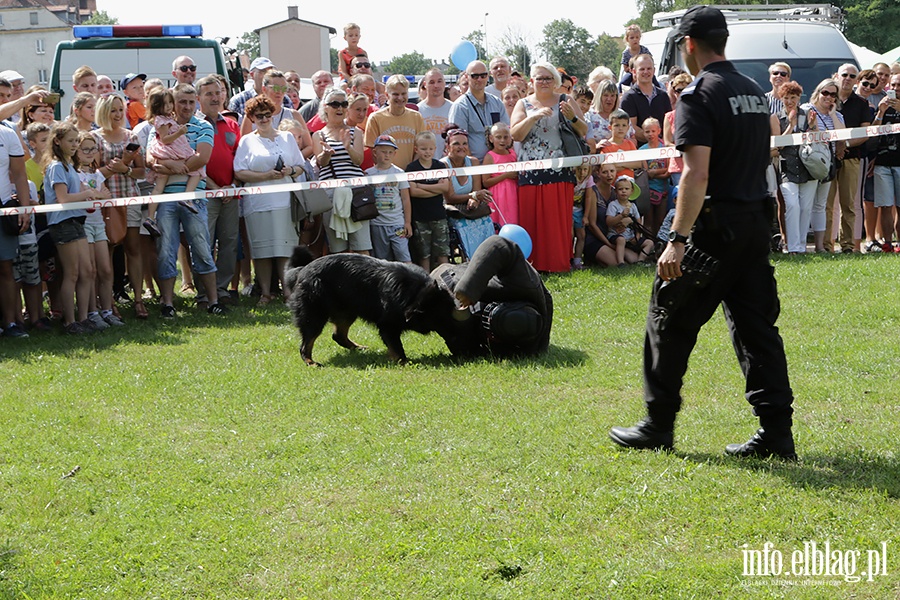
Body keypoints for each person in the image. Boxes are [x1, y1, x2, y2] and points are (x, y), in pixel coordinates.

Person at [609, 6, 796, 460]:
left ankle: (658, 425)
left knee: (667, 318)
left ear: (688, 44)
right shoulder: (753, 91)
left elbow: (695, 174)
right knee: (757, 329)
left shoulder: (698, 94)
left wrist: (675, 239)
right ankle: (777, 434)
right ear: (723, 40)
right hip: (755, 223)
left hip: (716, 229)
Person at [149, 83, 226, 318]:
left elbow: (202, 158)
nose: (187, 106)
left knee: (203, 248)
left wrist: (172, 166)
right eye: (182, 101)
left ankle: (213, 301)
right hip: (167, 198)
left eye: (191, 102)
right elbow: (150, 158)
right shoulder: (162, 125)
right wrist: (170, 165)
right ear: (173, 102)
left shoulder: (203, 126)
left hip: (194, 197)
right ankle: (168, 304)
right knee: (166, 249)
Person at [510, 62, 586, 273]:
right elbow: (515, 134)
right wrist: (533, 116)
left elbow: (583, 129)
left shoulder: (565, 100)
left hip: (560, 170)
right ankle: (532, 266)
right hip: (530, 172)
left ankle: (558, 263)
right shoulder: (522, 104)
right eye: (539, 78)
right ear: (531, 82)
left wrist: (571, 117)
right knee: (531, 220)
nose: (543, 82)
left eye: (548, 78)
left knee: (556, 222)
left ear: (556, 81)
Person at [233, 95, 304, 305]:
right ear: (252, 118)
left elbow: (301, 166)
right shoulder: (247, 140)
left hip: (285, 201)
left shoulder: (287, 138)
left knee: (285, 249)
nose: (264, 119)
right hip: (258, 202)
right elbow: (239, 172)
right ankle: (265, 292)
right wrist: (265, 176)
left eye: (267, 115)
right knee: (261, 251)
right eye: (258, 116)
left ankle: (289, 292)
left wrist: (290, 170)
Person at [431, 235, 552, 358]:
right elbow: (498, 244)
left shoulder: (526, 349)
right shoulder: (526, 285)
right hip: (457, 275)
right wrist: (467, 289)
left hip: (440, 290)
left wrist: (460, 319)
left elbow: (465, 350)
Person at [44, 122, 104, 334]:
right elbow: (63, 198)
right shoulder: (56, 167)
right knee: (72, 273)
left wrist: (88, 195)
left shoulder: (69, 166)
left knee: (87, 271)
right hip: (62, 222)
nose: (74, 145)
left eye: (76, 141)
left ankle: (84, 317)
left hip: (77, 222)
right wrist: (87, 194)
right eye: (70, 141)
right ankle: (70, 322)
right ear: (58, 141)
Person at [92, 94, 148, 318]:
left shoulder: (131, 136)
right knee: (107, 251)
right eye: (113, 110)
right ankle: (108, 302)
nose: (117, 115)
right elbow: (93, 174)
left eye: (120, 110)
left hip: (130, 198)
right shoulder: (93, 138)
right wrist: (121, 164)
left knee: (134, 249)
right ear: (103, 112)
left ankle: (138, 299)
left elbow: (141, 171)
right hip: (105, 201)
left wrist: (125, 168)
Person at [195, 75, 241, 308]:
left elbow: (239, 159)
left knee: (230, 242)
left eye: (218, 92)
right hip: (205, 193)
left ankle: (221, 289)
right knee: (204, 243)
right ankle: (204, 293)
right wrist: (216, 189)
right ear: (198, 98)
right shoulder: (192, 126)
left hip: (231, 194)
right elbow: (195, 163)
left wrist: (231, 187)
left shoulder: (232, 124)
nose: (215, 98)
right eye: (209, 94)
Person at [312, 87, 370, 255]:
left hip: (356, 193)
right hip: (331, 193)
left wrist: (348, 148)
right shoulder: (318, 135)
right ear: (325, 107)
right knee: (338, 249)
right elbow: (321, 163)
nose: (339, 108)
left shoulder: (356, 132)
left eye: (344, 104)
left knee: (361, 246)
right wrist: (326, 154)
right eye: (335, 104)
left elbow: (358, 160)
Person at [74, 131, 120, 329]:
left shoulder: (97, 174)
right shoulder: (74, 174)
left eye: (93, 149)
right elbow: (88, 197)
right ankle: (92, 312)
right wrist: (96, 194)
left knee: (106, 269)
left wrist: (97, 195)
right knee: (90, 270)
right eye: (85, 149)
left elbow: (104, 195)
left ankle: (107, 310)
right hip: (83, 224)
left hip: (99, 223)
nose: (90, 153)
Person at [825, 64, 870, 253]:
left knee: (848, 204)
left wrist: (846, 145)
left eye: (852, 76)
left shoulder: (861, 103)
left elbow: (866, 132)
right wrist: (835, 147)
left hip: (852, 158)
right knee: (826, 205)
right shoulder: (825, 98)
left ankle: (848, 246)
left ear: (856, 80)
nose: (848, 78)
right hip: (826, 159)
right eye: (845, 74)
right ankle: (826, 246)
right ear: (836, 75)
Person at [775, 81, 817, 254]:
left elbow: (816, 140)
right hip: (786, 167)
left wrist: (813, 126)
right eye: (786, 98)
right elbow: (777, 146)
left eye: (793, 97)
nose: (790, 101)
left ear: (800, 97)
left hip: (808, 166)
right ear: (781, 98)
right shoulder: (775, 117)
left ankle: (801, 246)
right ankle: (792, 247)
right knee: (792, 205)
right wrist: (791, 127)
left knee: (806, 208)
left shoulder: (808, 113)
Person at [441, 126, 495, 259]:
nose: (461, 147)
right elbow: (450, 198)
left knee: (486, 221)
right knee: (464, 226)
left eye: (464, 143)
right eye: (456, 144)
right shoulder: (443, 165)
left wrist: (475, 199)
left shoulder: (474, 162)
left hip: (468, 208)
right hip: (452, 211)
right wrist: (474, 196)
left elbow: (476, 190)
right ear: (447, 147)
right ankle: (470, 260)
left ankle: (489, 259)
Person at [0, 112, 32, 338]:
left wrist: (24, 207)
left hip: (3, 208)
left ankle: (11, 323)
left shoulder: (8, 134)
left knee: (5, 268)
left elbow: (20, 174)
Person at [803, 79, 844, 253]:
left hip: (828, 164)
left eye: (833, 94)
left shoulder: (838, 115)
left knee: (820, 206)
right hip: (809, 162)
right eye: (825, 93)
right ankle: (799, 245)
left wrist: (833, 114)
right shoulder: (806, 110)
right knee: (805, 205)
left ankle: (820, 246)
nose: (828, 97)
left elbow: (843, 137)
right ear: (818, 92)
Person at [405, 131, 450, 271]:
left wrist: (421, 185)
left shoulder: (440, 166)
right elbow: (413, 192)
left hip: (439, 216)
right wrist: (434, 188)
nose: (427, 152)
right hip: (420, 218)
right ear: (416, 149)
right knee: (424, 255)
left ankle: (446, 282)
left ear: (435, 149)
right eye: (423, 149)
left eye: (430, 148)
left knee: (442, 253)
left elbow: (445, 187)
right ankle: (426, 281)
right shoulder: (412, 168)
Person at [448, 60, 509, 160]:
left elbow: (506, 132)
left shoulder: (497, 102)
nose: (479, 79)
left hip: (498, 164)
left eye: (483, 75)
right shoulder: (460, 106)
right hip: (474, 167)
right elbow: (458, 143)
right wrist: (473, 166)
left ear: (488, 76)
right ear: (467, 77)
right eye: (475, 76)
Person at [365, 135, 412, 263]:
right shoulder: (368, 174)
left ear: (395, 154)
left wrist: (407, 222)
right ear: (375, 152)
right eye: (384, 152)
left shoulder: (399, 173)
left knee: (404, 257)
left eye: (390, 152)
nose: (387, 155)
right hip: (377, 224)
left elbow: (405, 199)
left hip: (397, 223)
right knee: (382, 261)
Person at [364, 75, 425, 168]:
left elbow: (421, 148)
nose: (400, 98)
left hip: (411, 176)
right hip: (387, 176)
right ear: (387, 95)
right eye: (396, 94)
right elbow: (374, 152)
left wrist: (411, 171)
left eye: (404, 94)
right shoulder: (376, 118)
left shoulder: (416, 117)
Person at [871, 72, 900, 253]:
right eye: (894, 85)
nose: (896, 89)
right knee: (885, 205)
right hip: (882, 162)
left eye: (899, 86)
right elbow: (872, 132)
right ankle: (887, 243)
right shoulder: (883, 104)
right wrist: (880, 112)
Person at [621, 53, 671, 145]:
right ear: (634, 72)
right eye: (642, 69)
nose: (646, 72)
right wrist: (653, 139)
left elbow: (668, 124)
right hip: (639, 152)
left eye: (649, 69)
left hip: (662, 150)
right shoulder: (628, 98)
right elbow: (631, 127)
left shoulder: (663, 95)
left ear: (654, 70)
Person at [606, 175, 655, 265]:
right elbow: (608, 222)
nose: (624, 191)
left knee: (650, 242)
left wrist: (637, 236)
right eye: (620, 189)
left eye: (626, 189)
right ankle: (620, 262)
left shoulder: (633, 206)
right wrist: (621, 216)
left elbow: (638, 221)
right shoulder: (613, 205)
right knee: (621, 240)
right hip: (616, 235)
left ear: (631, 191)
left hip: (631, 237)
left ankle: (640, 261)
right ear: (616, 191)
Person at [481, 122, 518, 226]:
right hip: (498, 195)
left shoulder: (513, 154)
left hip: (513, 193)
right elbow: (486, 182)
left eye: (506, 137)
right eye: (498, 137)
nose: (502, 140)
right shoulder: (490, 157)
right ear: (491, 138)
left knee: (514, 218)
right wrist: (505, 176)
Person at [417, 68, 451, 157]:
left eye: (439, 81)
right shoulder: (417, 111)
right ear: (425, 85)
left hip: (449, 165)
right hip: (426, 165)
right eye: (431, 82)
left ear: (444, 83)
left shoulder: (454, 108)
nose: (436, 85)